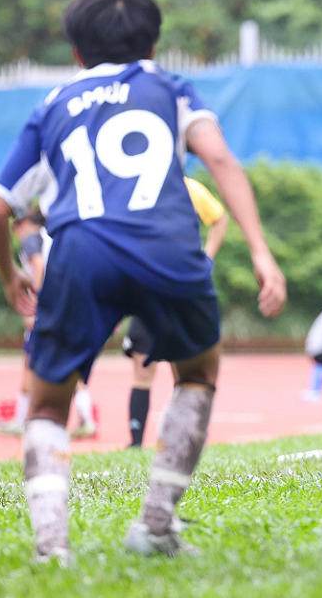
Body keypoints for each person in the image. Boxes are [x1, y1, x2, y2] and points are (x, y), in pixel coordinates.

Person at [0, 0, 286, 563]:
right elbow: (219, 158)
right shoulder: (169, 87)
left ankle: (52, 549)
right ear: (153, 42)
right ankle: (155, 524)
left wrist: (7, 276)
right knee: (197, 372)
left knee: (48, 406)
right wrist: (261, 251)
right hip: (168, 250)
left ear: (75, 51)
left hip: (80, 254)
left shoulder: (51, 104)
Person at [125, 177, 229, 448]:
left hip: (182, 288)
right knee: (142, 369)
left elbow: (220, 219)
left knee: (186, 372)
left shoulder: (190, 187)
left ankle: (181, 440)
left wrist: (208, 257)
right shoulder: (132, 184)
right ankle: (135, 444)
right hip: (147, 290)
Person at [0, 209, 47, 436]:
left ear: (25, 223)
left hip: (45, 315)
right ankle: (84, 419)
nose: (14, 231)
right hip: (59, 310)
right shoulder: (50, 238)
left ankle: (24, 421)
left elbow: (39, 268)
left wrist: (38, 308)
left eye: (16, 225)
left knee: (31, 366)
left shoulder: (32, 241)